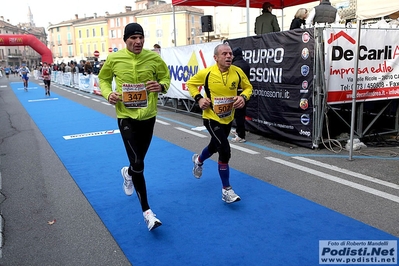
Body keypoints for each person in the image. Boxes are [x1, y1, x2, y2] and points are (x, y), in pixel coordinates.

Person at [98, 22, 170, 231]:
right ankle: (148, 212)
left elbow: (165, 77)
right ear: (125, 40)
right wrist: (108, 93)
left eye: (141, 38)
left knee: (139, 161)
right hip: (125, 116)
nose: (138, 42)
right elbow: (103, 79)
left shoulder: (154, 58)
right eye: (133, 38)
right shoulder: (114, 58)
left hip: (148, 116)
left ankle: (128, 173)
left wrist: (161, 86)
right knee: (138, 161)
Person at [187, 43, 253, 204]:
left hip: (227, 118)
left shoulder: (237, 72)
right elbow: (191, 84)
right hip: (211, 118)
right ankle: (226, 190)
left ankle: (198, 161)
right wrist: (199, 98)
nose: (229, 56)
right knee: (224, 150)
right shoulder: (207, 73)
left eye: (230, 53)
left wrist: (243, 97)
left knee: (213, 147)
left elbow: (248, 87)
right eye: (224, 54)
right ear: (216, 58)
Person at [230, 47, 251, 143]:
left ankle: (241, 135)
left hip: (238, 93)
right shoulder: (245, 64)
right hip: (244, 93)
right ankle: (239, 131)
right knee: (240, 113)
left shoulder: (235, 66)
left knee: (238, 114)